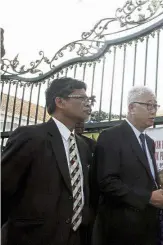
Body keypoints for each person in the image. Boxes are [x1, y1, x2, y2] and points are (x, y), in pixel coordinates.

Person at [1, 77, 95, 245]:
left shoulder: (82, 146)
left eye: (88, 99)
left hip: (75, 237)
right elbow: (4, 188)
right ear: (60, 101)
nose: (88, 103)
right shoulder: (30, 137)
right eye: (81, 98)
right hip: (32, 237)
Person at [94, 86, 163, 245]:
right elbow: (106, 181)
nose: (154, 111)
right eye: (149, 105)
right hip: (123, 229)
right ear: (131, 108)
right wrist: (148, 197)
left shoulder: (149, 142)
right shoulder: (111, 136)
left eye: (155, 106)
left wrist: (160, 185)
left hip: (151, 226)